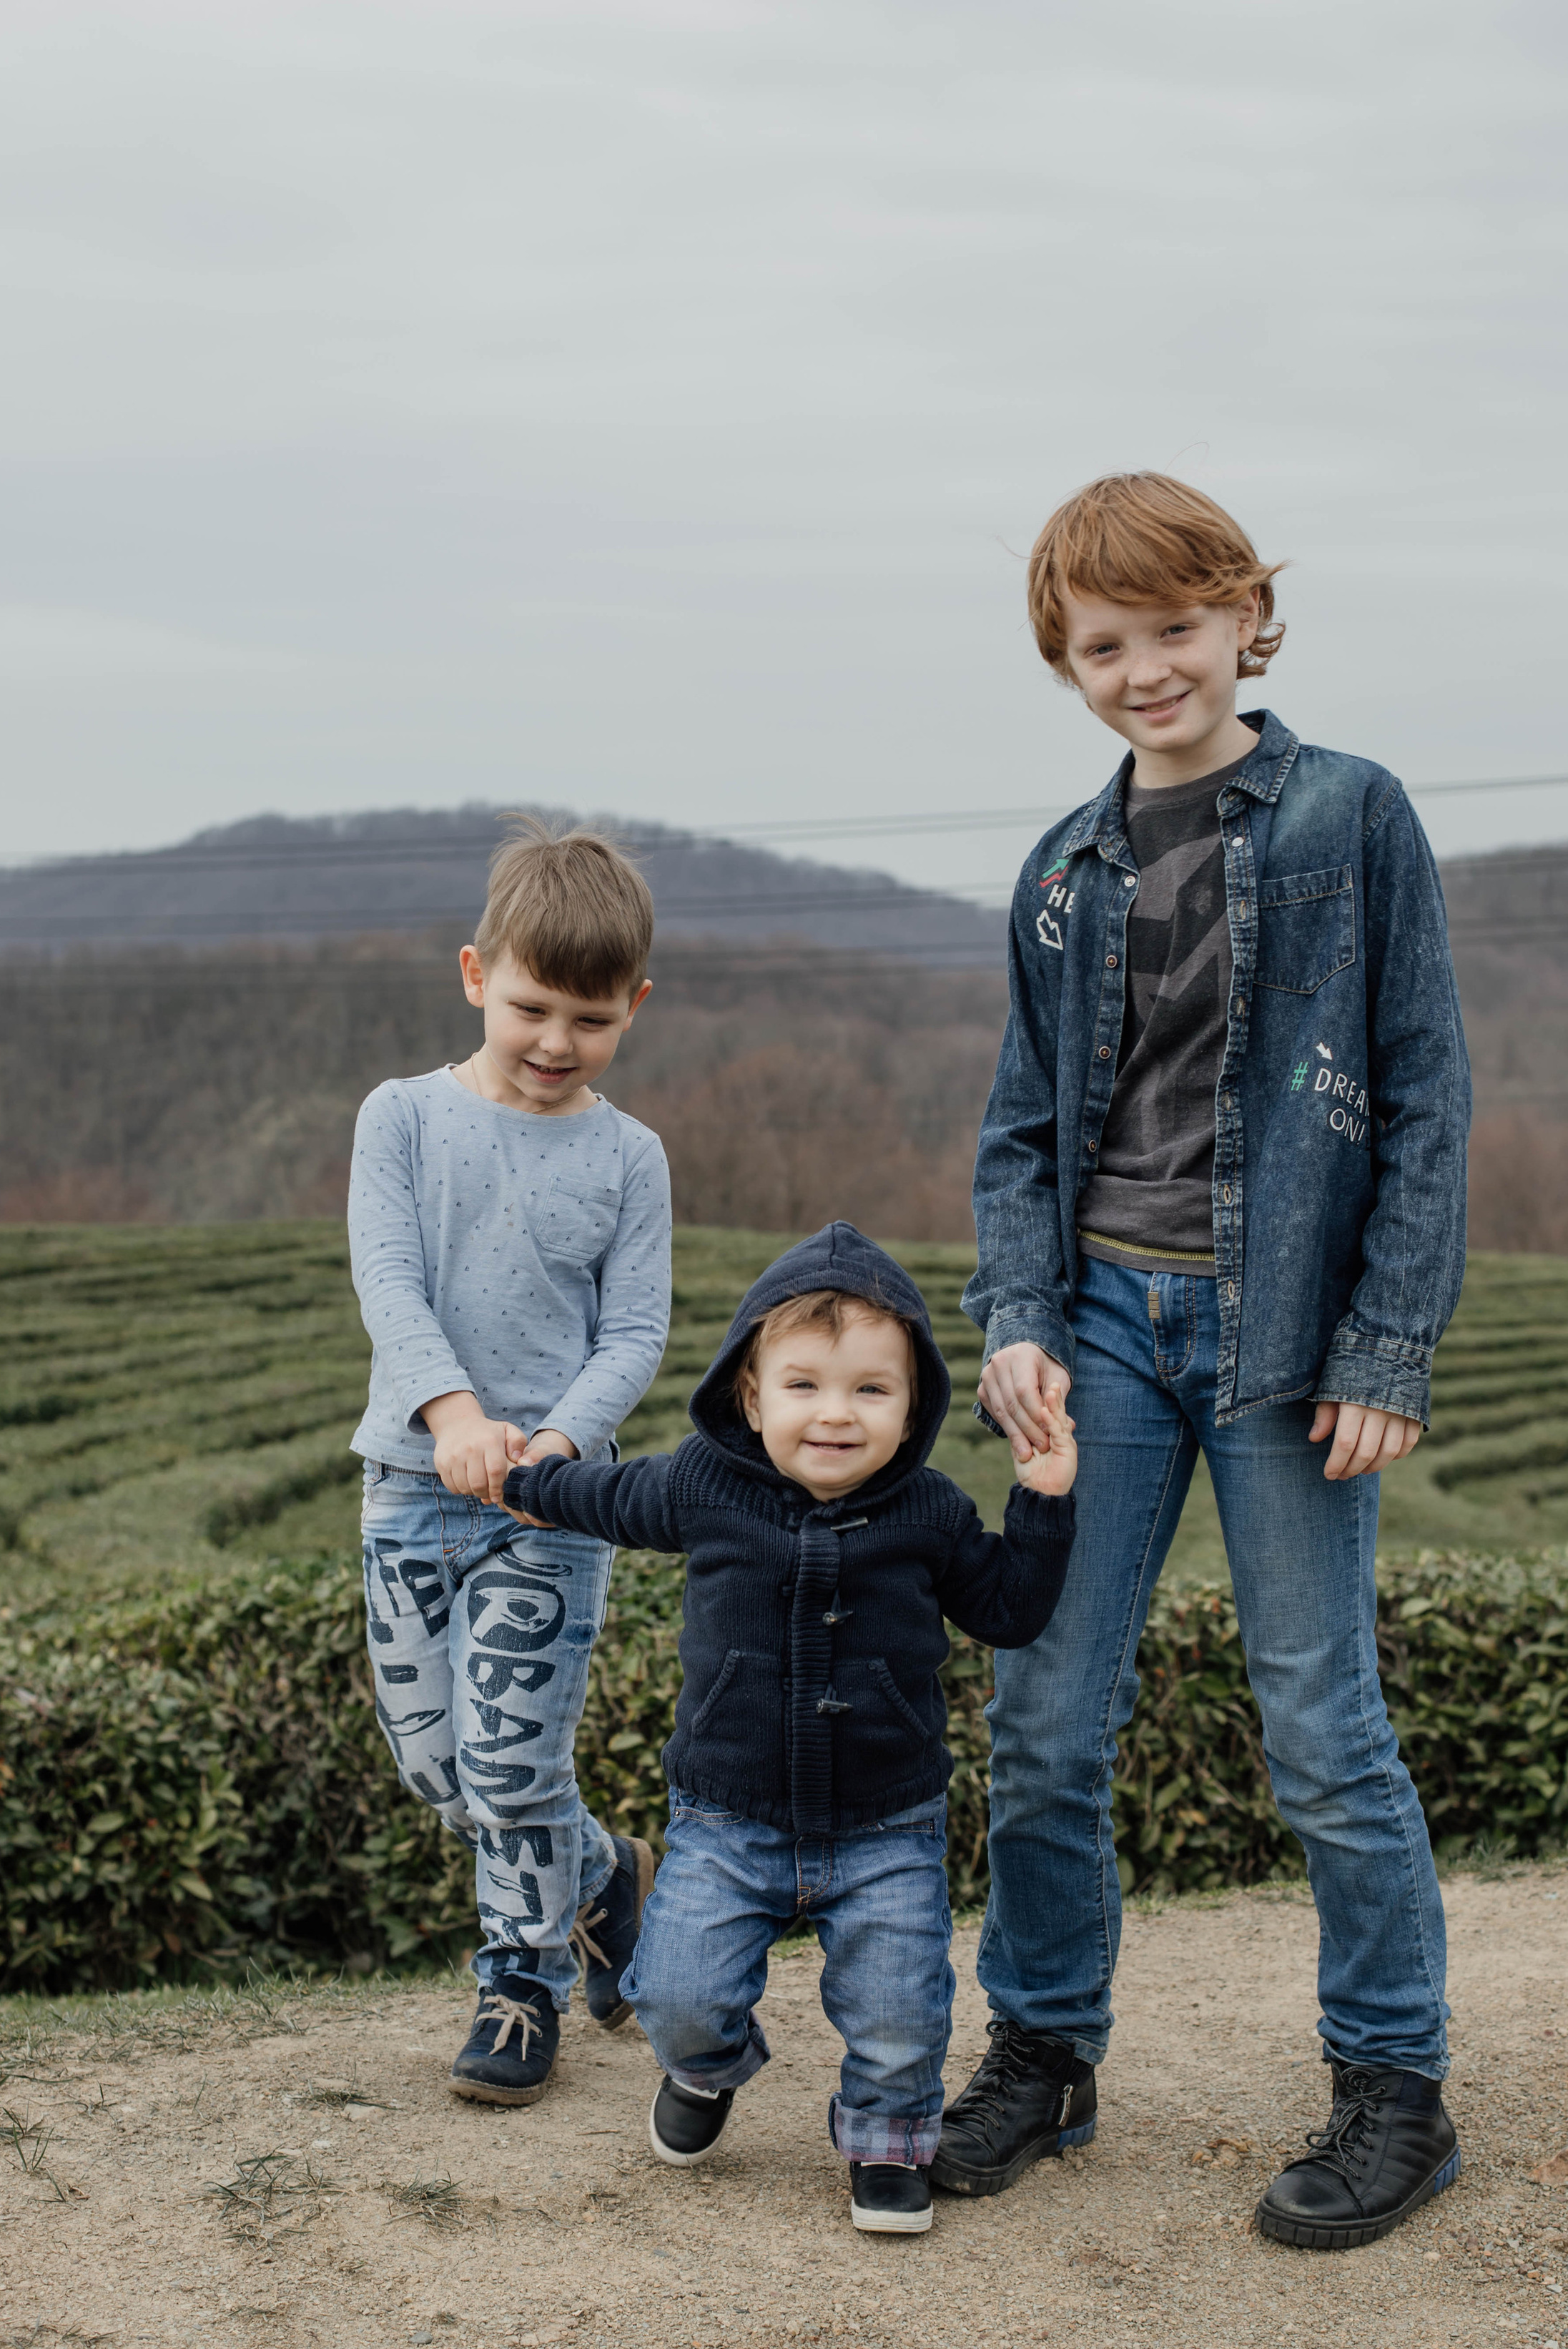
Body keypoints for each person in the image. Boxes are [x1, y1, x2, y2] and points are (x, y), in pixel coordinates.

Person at [940, 472, 1471, 2250]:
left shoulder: (1345, 817)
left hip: (1279, 1343)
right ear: (1063, 661)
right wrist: (1014, 1315)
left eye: (1175, 628)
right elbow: (1021, 1130)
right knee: (1043, 1717)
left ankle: (1393, 2090)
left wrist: (1385, 1342)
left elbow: (1421, 1093)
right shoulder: (1059, 872)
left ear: (1245, 618)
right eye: (1103, 645)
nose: (1143, 668)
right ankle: (1039, 2057)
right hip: (1098, 1325)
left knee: (1320, 1728)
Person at [502, 1221, 1077, 2233]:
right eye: (804, 1386)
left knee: (900, 2008)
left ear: (914, 1410)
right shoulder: (700, 1485)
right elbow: (601, 1496)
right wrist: (521, 1479)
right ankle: (708, 2070)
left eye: (870, 1390)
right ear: (752, 1396)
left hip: (886, 1823)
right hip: (728, 1815)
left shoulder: (932, 1512)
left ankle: (888, 2139)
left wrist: (1040, 1502)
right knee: (678, 1996)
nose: (835, 1415)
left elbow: (1009, 1611)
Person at [349, 818, 671, 2106]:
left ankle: (520, 1983)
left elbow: (637, 1330)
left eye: (590, 1021)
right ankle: (601, 1878)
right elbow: (389, 1279)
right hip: (411, 1484)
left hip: (551, 1503)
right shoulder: (403, 1119)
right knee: (437, 1764)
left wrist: (556, 1442)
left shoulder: (630, 1156)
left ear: (633, 1009)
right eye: (533, 1008)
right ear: (476, 975)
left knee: (514, 1762)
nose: (555, 1044)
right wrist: (453, 1416)